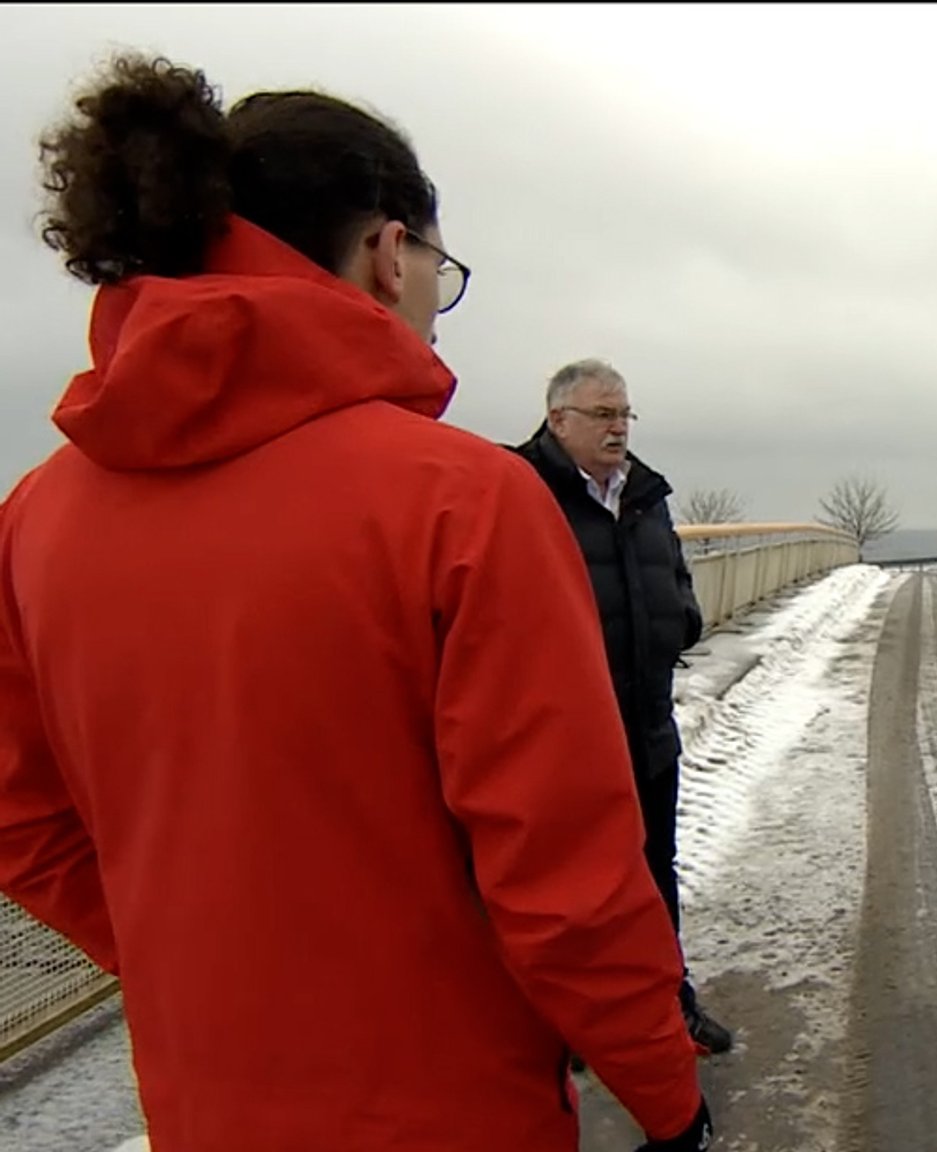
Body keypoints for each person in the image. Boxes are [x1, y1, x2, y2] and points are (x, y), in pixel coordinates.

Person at [0, 54, 712, 1151]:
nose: (435, 297)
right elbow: (562, 880)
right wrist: (664, 1096)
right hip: (450, 1103)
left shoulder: (33, 518)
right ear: (388, 252)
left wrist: (182, 951)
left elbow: (24, 819)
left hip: (206, 1101)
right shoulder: (463, 501)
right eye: (440, 264)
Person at [512, 359, 733, 1056]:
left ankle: (672, 1006)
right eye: (604, 415)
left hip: (646, 729)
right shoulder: (521, 491)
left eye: (625, 414)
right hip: (564, 740)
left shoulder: (644, 493)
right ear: (559, 421)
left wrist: (683, 623)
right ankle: (576, 1029)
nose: (618, 428)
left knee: (654, 871)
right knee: (575, 890)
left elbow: (672, 573)